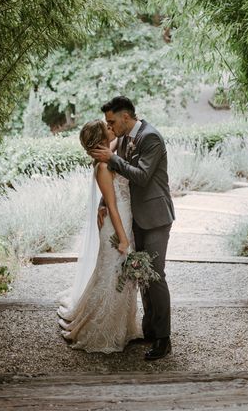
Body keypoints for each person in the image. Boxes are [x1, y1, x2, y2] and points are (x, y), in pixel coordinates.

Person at [89, 96, 175, 360]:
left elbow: (142, 175)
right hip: (136, 215)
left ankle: (163, 339)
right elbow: (119, 181)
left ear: (126, 117)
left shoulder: (151, 138)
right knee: (142, 274)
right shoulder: (126, 137)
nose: (109, 126)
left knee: (155, 275)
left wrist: (112, 158)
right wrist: (105, 201)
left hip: (156, 216)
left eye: (112, 121)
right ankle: (150, 329)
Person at [57, 120, 141, 353]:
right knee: (111, 275)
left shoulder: (108, 155)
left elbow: (117, 140)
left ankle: (123, 327)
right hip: (116, 226)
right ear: (101, 138)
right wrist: (124, 240)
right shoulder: (103, 167)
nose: (109, 125)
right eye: (106, 126)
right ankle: (99, 329)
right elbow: (112, 207)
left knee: (119, 276)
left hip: (124, 220)